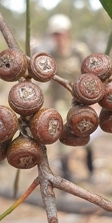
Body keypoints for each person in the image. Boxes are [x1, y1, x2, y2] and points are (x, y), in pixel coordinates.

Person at [44, 14, 95, 180]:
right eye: (54, 34)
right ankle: (67, 174)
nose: (57, 37)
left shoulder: (78, 51)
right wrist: (50, 102)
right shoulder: (51, 55)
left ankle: (90, 170)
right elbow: (51, 82)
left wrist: (93, 101)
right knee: (62, 137)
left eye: (60, 33)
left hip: (80, 101)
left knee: (87, 135)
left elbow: (90, 76)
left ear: (67, 32)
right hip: (61, 101)